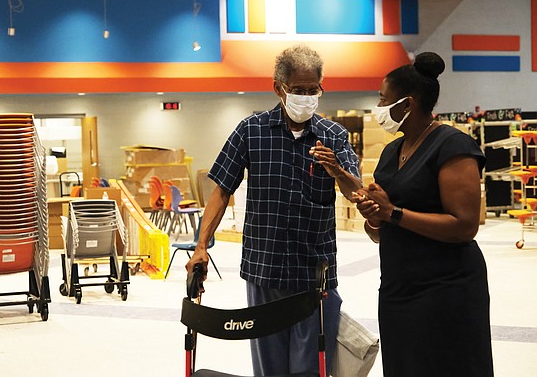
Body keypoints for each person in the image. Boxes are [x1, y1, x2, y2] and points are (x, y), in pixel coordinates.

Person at [185, 44, 362, 375]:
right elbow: (222, 190)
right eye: (298, 90)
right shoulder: (251, 130)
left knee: (309, 368)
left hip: (315, 274)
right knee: (270, 369)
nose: (307, 97)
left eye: (314, 90)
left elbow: (357, 195)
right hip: (264, 270)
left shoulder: (334, 135)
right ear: (278, 88)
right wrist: (200, 247)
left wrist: (337, 170)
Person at [351, 52, 494, 376]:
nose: (379, 107)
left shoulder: (453, 146)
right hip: (399, 288)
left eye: (383, 99)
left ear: (407, 104)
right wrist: (375, 216)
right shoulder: (391, 151)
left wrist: (394, 213)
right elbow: (381, 230)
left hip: (447, 289)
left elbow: (464, 225)